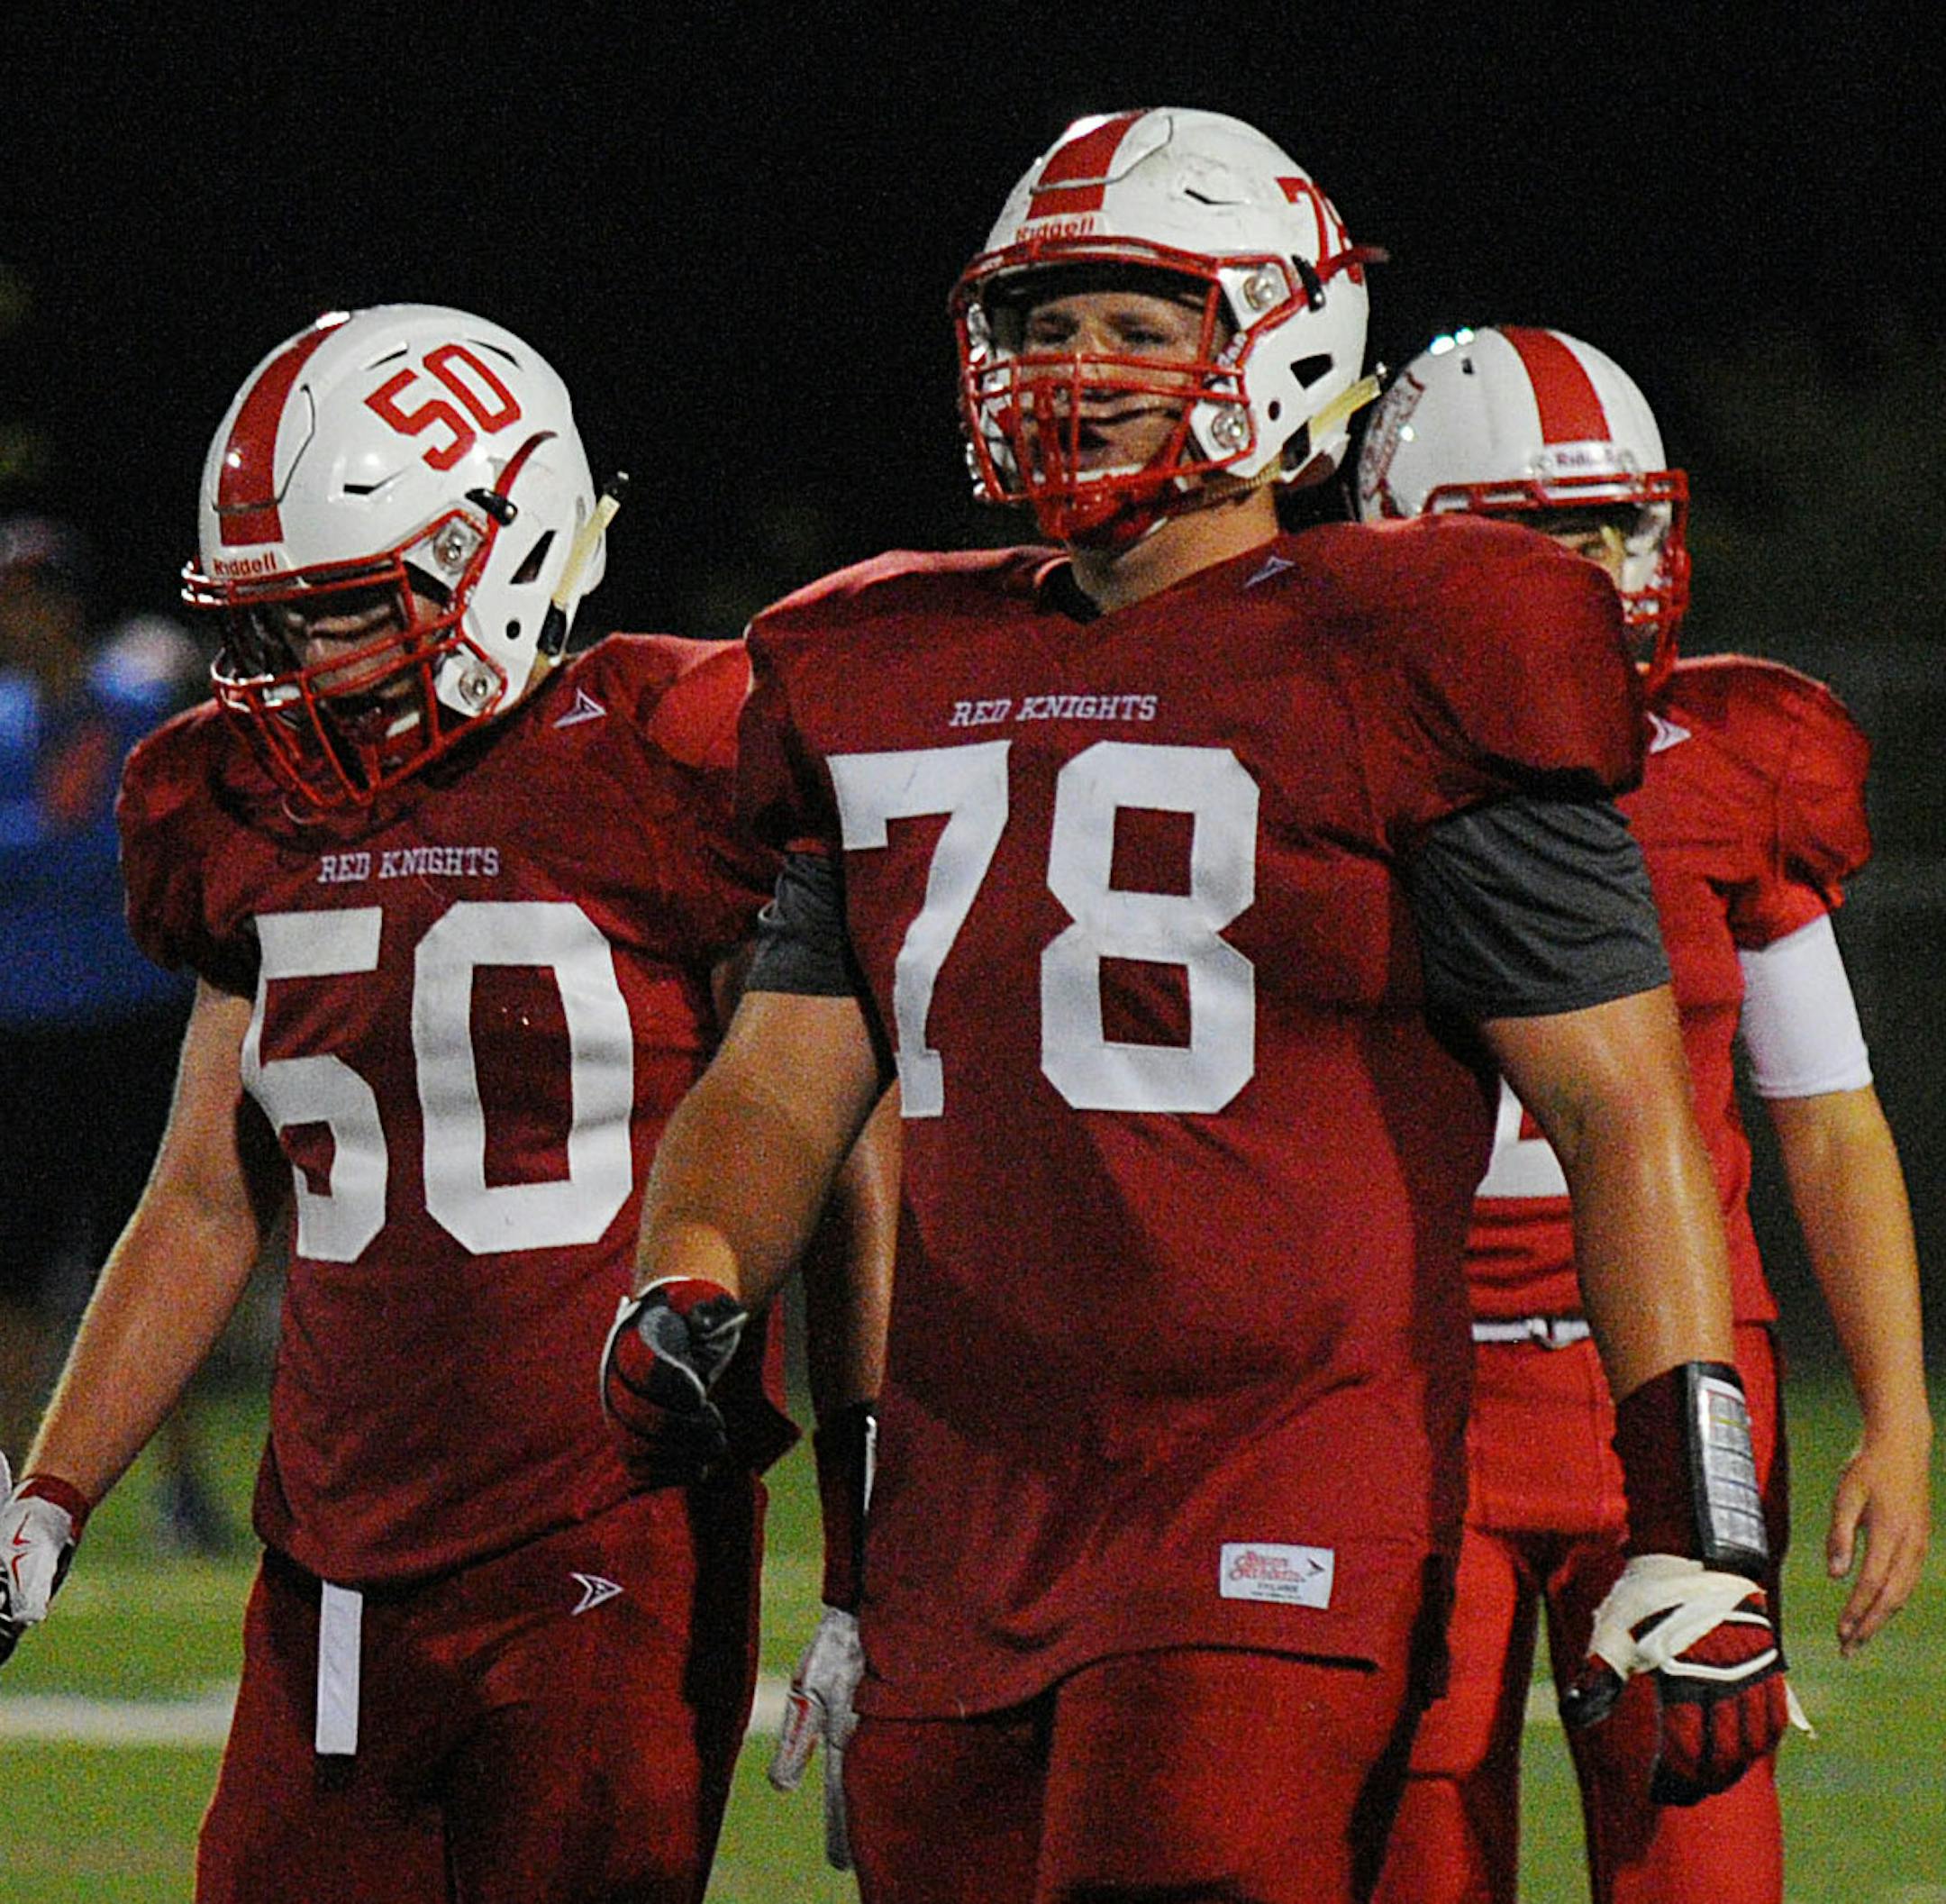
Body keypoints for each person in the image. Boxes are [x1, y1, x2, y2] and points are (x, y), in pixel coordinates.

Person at [596, 109, 1790, 1904]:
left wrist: (1698, 1524)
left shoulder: (1421, 642)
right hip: (968, 1499)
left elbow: (1625, 1112)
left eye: (1138, 325)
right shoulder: (883, 666)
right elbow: (781, 1078)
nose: (1068, 368)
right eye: (1037, 321)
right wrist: (688, 1271)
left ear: (1283, 339)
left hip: (1274, 1478)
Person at [0, 302, 893, 1904]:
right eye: (265, 627)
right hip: (329, 1550)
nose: (291, 673)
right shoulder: (229, 798)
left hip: (609, 1526)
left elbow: (839, 1151)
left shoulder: (679, 747)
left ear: (501, 545)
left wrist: (869, 1552)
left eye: (338, 614)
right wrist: (47, 1496)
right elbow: (209, 1189)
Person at [1356, 323, 1932, 1904]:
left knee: (1705, 1856)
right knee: (1415, 1861)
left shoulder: (1732, 755)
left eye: (1615, 524)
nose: (1599, 571)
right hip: (1411, 1403)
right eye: (1542, 535)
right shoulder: (1324, 760)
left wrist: (1896, 1407)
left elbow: (1827, 1112)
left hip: (1674, 1400)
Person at [0, 516, 230, 1551]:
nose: (24, 615)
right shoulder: (7, 725)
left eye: (38, 594)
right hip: (27, 1039)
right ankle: (13, 1486)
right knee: (16, 1275)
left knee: (153, 1249)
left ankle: (178, 1487)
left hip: (131, 1025)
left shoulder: (135, 707)